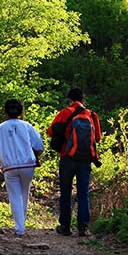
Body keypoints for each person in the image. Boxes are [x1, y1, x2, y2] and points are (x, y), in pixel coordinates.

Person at [47, 86, 101, 238]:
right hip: (86, 160)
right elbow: (97, 138)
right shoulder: (91, 115)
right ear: (83, 100)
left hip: (67, 157)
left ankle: (65, 226)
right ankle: (83, 228)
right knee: (83, 193)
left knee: (65, 192)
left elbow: (51, 132)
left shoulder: (65, 113)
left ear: (69, 99)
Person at [0, 99, 44, 237]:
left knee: (14, 196)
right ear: (21, 111)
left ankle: (19, 228)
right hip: (27, 165)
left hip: (9, 166)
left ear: (6, 111)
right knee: (24, 194)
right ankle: (22, 225)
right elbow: (39, 146)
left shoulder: (1, 128)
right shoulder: (26, 126)